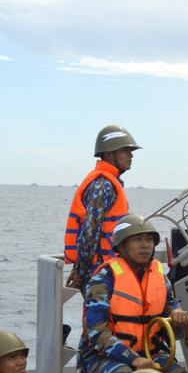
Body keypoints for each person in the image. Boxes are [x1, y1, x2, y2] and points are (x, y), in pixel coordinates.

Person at [77, 213, 188, 373]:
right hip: (104, 357)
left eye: (149, 239)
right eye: (137, 239)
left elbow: (169, 303)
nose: (145, 245)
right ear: (122, 245)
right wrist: (132, 359)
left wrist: (177, 312)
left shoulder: (158, 275)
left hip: (150, 354)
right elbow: (97, 334)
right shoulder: (103, 279)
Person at [64, 124, 140, 291]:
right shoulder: (102, 186)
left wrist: (78, 268)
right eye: (125, 150)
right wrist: (80, 272)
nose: (131, 155)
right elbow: (90, 234)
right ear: (108, 154)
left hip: (108, 269)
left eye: (131, 151)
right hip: (100, 273)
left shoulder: (108, 183)